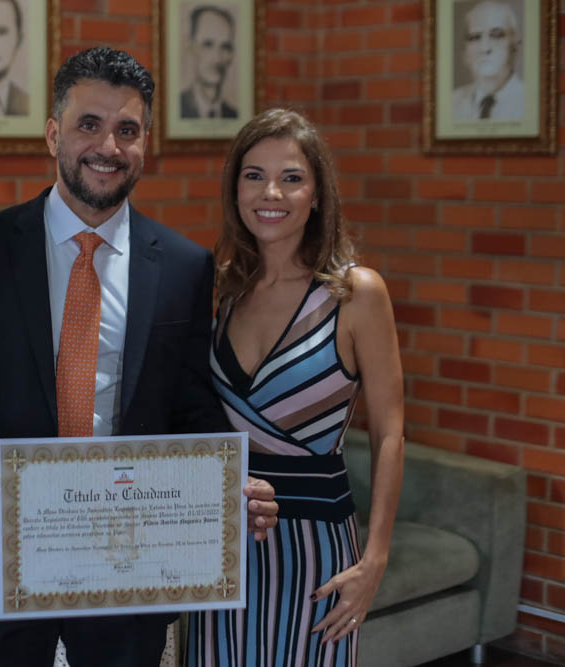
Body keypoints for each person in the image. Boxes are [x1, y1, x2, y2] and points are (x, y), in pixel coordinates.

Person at [0, 47, 279, 667]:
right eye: (88, 125)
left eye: (127, 130)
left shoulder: (183, 266)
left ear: (145, 143)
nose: (108, 147)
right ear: (53, 134)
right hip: (3, 552)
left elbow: (190, 403)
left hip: (130, 564)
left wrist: (229, 483)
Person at [183, 108, 404, 666]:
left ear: (317, 194)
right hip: (226, 543)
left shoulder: (357, 293)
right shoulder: (227, 290)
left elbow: (390, 432)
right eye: (254, 175)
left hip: (317, 549)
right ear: (236, 189)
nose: (271, 193)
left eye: (292, 177)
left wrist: (375, 559)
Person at [451, 0, 524, 121]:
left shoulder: (531, 101)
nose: (485, 48)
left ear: (515, 47)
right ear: (465, 53)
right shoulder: (450, 104)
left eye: (496, 35)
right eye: (475, 37)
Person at [180, 5, 238, 119]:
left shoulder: (233, 113)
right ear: (191, 47)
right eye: (208, 44)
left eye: (225, 46)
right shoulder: (179, 106)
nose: (217, 58)